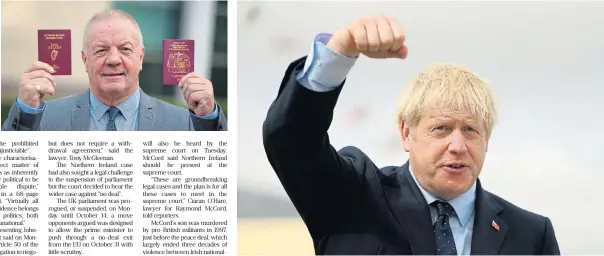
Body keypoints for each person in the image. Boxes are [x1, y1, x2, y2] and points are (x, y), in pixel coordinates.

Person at [262, 14, 560, 255]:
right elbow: (291, 139)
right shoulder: (352, 197)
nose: (458, 145)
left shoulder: (532, 235)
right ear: (406, 133)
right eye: (442, 128)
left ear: (487, 140)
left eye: (471, 130)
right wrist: (339, 52)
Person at [2, 9, 227, 131]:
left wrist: (207, 118)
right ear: (84, 60)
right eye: (100, 50)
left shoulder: (185, 123)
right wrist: (25, 112)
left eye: (125, 49)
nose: (113, 59)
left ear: (140, 58)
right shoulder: (42, 119)